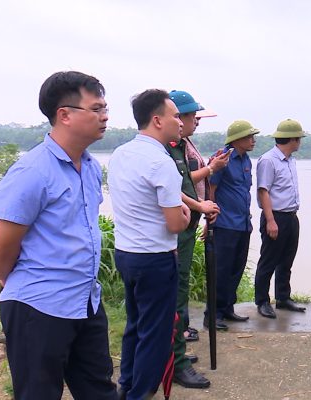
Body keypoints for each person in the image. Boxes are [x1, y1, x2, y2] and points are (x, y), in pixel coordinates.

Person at [0, 71, 116, 400]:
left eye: (106, 108)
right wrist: (23, 285)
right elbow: (0, 250)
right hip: (39, 307)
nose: (105, 117)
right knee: (39, 393)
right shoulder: (32, 171)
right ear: (65, 114)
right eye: (96, 108)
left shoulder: (89, 166)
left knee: (99, 390)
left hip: (85, 301)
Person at [109, 89, 191, 400]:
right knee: (156, 335)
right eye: (174, 116)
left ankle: (126, 385)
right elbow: (175, 223)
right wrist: (185, 216)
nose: (179, 123)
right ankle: (140, 393)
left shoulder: (121, 154)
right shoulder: (161, 161)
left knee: (135, 325)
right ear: (157, 120)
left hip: (126, 254)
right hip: (155, 258)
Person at [166, 90, 227, 389]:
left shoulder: (185, 145)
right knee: (175, 290)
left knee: (181, 285)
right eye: (191, 117)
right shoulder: (168, 148)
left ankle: (175, 352)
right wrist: (211, 171)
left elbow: (188, 181)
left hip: (188, 225)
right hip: (177, 228)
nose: (194, 123)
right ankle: (174, 360)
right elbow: (177, 186)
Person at [206, 120, 259, 329]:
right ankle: (213, 314)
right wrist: (210, 216)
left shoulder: (246, 160)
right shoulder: (222, 158)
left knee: (236, 268)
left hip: (243, 223)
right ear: (237, 139)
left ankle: (228, 308)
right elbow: (212, 186)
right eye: (249, 137)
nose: (253, 140)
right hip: (225, 223)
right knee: (221, 270)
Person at [254, 119, 306, 318]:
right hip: (275, 216)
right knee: (268, 260)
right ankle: (262, 301)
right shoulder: (269, 160)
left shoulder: (290, 160)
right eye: (299, 138)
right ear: (292, 139)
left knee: (286, 260)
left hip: (291, 216)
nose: (300, 142)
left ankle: (283, 298)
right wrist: (270, 220)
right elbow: (263, 191)